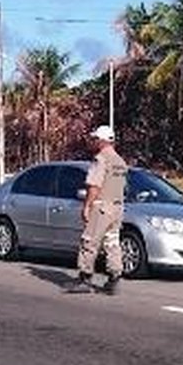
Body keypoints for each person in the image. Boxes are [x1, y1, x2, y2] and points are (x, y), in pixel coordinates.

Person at [68, 125, 128, 295]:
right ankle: (114, 278)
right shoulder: (120, 162)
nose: (92, 142)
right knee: (112, 243)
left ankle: (85, 278)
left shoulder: (101, 159)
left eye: (95, 139)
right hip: (117, 207)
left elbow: (94, 185)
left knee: (89, 241)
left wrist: (86, 206)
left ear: (101, 141)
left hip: (101, 206)